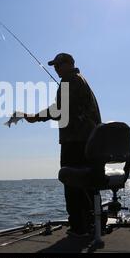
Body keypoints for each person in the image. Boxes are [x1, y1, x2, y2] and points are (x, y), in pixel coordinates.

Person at [23, 53, 102, 237]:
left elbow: (59, 109)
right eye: (54, 66)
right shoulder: (81, 81)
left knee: (71, 181)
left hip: (75, 141)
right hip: (89, 141)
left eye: (59, 64)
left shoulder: (69, 80)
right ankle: (91, 223)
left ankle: (78, 227)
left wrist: (36, 117)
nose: (56, 68)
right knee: (88, 183)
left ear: (70, 63)